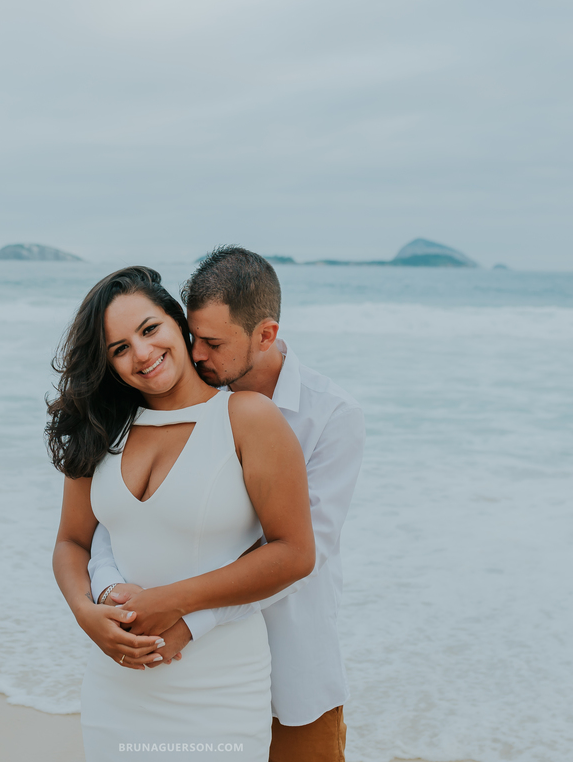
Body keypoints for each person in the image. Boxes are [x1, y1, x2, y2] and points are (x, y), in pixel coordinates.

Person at [88, 247, 365, 762]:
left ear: (264, 335)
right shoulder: (180, 405)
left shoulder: (331, 415)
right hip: (178, 661)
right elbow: (127, 514)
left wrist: (188, 617)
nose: (195, 355)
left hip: (288, 658)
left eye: (213, 343)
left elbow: (305, 553)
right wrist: (108, 588)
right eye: (193, 337)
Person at [48, 265, 315, 761]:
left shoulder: (247, 417)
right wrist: (87, 614)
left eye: (150, 330)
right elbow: (72, 543)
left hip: (218, 687)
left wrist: (168, 603)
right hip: (116, 685)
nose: (142, 354)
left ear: (179, 324)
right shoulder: (102, 428)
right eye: (119, 348)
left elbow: (295, 553)